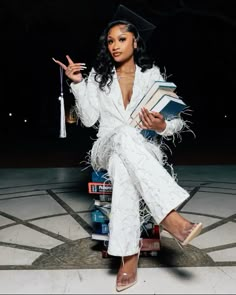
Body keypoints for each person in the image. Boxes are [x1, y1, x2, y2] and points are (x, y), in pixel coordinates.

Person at [53, 5, 202, 292]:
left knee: (124, 168)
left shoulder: (152, 74)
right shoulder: (98, 76)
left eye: (121, 39)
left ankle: (128, 257)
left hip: (143, 147)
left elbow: (176, 122)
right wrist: (78, 84)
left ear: (135, 41)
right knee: (122, 134)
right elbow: (88, 120)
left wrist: (161, 126)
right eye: (110, 40)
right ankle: (170, 217)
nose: (115, 45)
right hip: (106, 146)